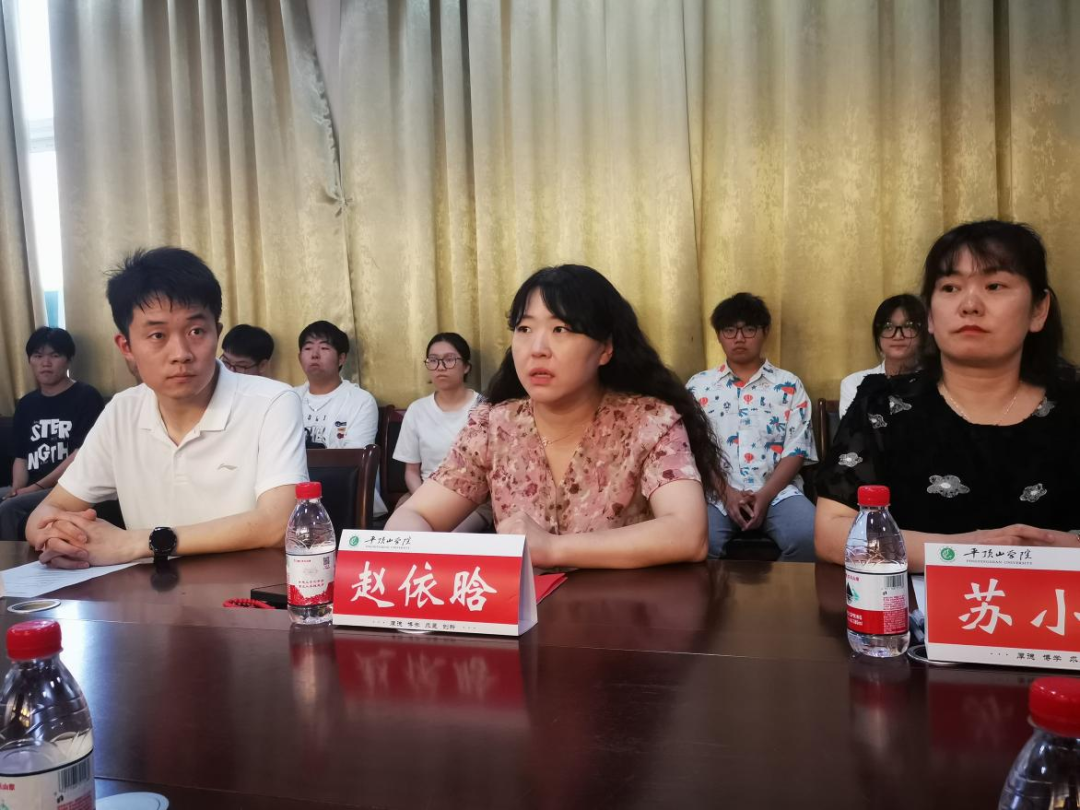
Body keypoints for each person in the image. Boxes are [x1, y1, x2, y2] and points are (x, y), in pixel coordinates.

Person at [387, 264, 723, 569]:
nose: (537, 349)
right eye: (524, 328)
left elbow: (687, 533)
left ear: (605, 349)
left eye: (561, 329)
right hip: (524, 614)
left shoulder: (650, 421)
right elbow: (414, 515)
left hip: (627, 614)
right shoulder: (493, 425)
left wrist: (552, 549)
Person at [816, 220, 1080, 572]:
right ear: (930, 316)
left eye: (994, 285)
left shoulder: (1073, 408)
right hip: (913, 607)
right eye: (951, 287)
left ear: (1038, 310)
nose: (969, 304)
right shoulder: (883, 406)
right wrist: (967, 551)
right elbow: (831, 533)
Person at [25, 247, 308, 568]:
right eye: (157, 335)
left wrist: (135, 543)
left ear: (217, 333)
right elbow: (45, 514)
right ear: (126, 347)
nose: (181, 353)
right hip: (149, 594)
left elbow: (280, 523)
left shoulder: (272, 402)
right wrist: (61, 538)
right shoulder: (122, 412)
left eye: (196, 331)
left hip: (245, 591)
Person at [686, 293, 817, 562]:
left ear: (765, 332)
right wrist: (727, 493)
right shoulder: (699, 386)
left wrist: (765, 496)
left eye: (748, 329)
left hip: (778, 493)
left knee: (812, 536)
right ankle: (721, 591)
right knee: (694, 542)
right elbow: (693, 449)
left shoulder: (789, 384)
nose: (739, 338)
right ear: (719, 335)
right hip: (715, 493)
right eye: (729, 330)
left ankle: (780, 590)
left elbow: (797, 449)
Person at [0, 328, 104, 540]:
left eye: (54, 355)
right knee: (9, 498)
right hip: (32, 485)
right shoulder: (26, 404)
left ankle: (12, 560)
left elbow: (80, 453)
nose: (45, 363)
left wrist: (35, 487)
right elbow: (21, 456)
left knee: (10, 508)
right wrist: (18, 489)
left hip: (68, 487)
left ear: (68, 360)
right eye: (38, 356)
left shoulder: (86, 397)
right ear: (30, 360)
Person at [392, 332, 491, 532]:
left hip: (473, 500)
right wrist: (426, 503)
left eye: (449, 360)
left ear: (466, 366)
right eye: (434, 360)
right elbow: (411, 472)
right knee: (402, 532)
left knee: (449, 538)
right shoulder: (417, 410)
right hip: (424, 492)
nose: (440, 367)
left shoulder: (484, 408)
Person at [294, 320, 387, 519]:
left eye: (324, 348)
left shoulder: (360, 400)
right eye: (308, 348)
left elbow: (354, 460)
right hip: (293, 496)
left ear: (342, 358)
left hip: (345, 497)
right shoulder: (288, 399)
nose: (315, 354)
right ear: (299, 358)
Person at [839, 294, 927, 419]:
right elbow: (853, 431)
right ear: (878, 337)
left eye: (908, 325)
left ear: (923, 335)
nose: (898, 336)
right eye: (888, 327)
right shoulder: (855, 384)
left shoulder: (939, 383)